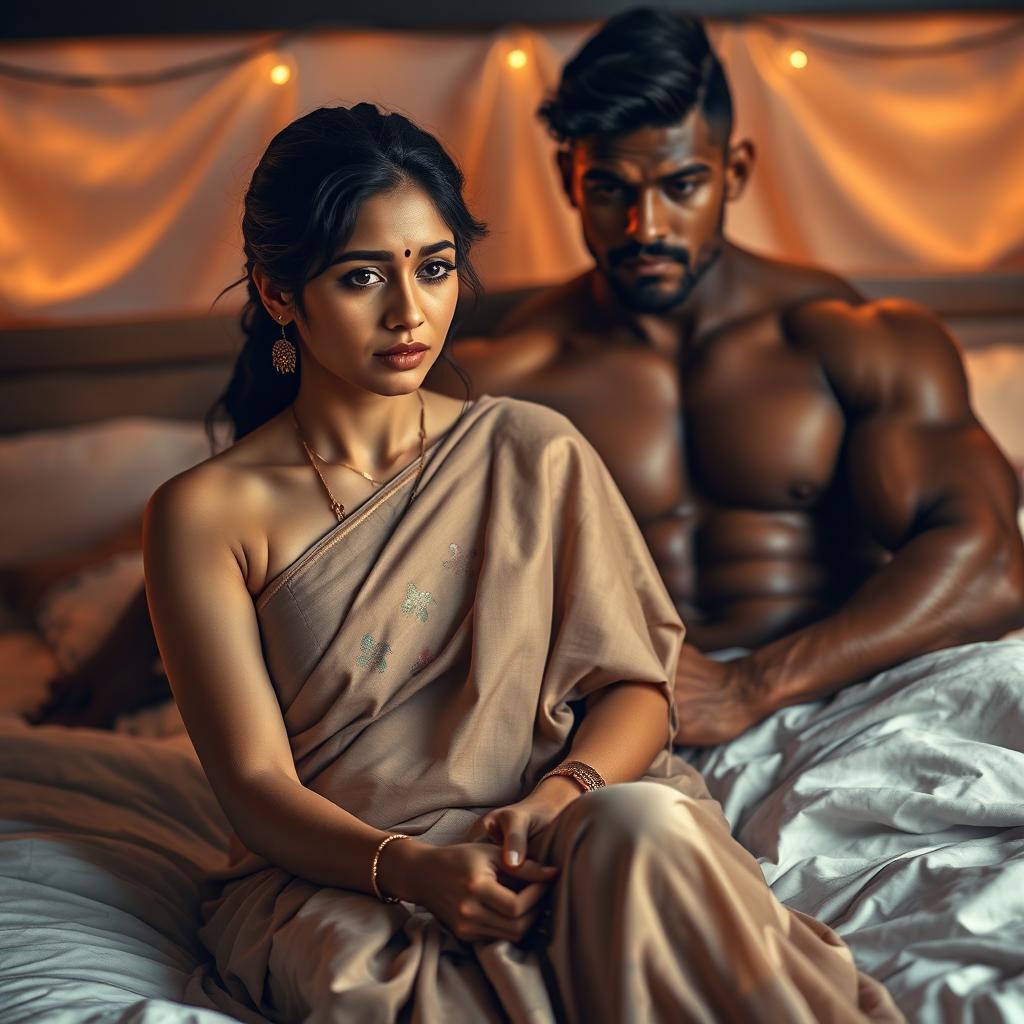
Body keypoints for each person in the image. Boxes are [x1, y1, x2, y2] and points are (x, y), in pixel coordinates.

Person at [143, 103, 901, 1023]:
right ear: (277, 293)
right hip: (355, 871)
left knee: (646, 828)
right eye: (360, 277)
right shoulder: (204, 516)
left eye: (434, 268)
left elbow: (638, 689)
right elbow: (255, 788)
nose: (409, 312)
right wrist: (416, 870)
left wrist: (558, 794)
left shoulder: (529, 449)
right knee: (368, 988)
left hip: (562, 823)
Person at [439, 8, 1024, 745]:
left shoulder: (853, 339)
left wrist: (754, 684)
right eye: (612, 189)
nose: (646, 227)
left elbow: (994, 566)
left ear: (734, 172)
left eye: (681, 186)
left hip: (848, 692)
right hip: (621, 723)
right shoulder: (504, 367)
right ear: (569, 180)